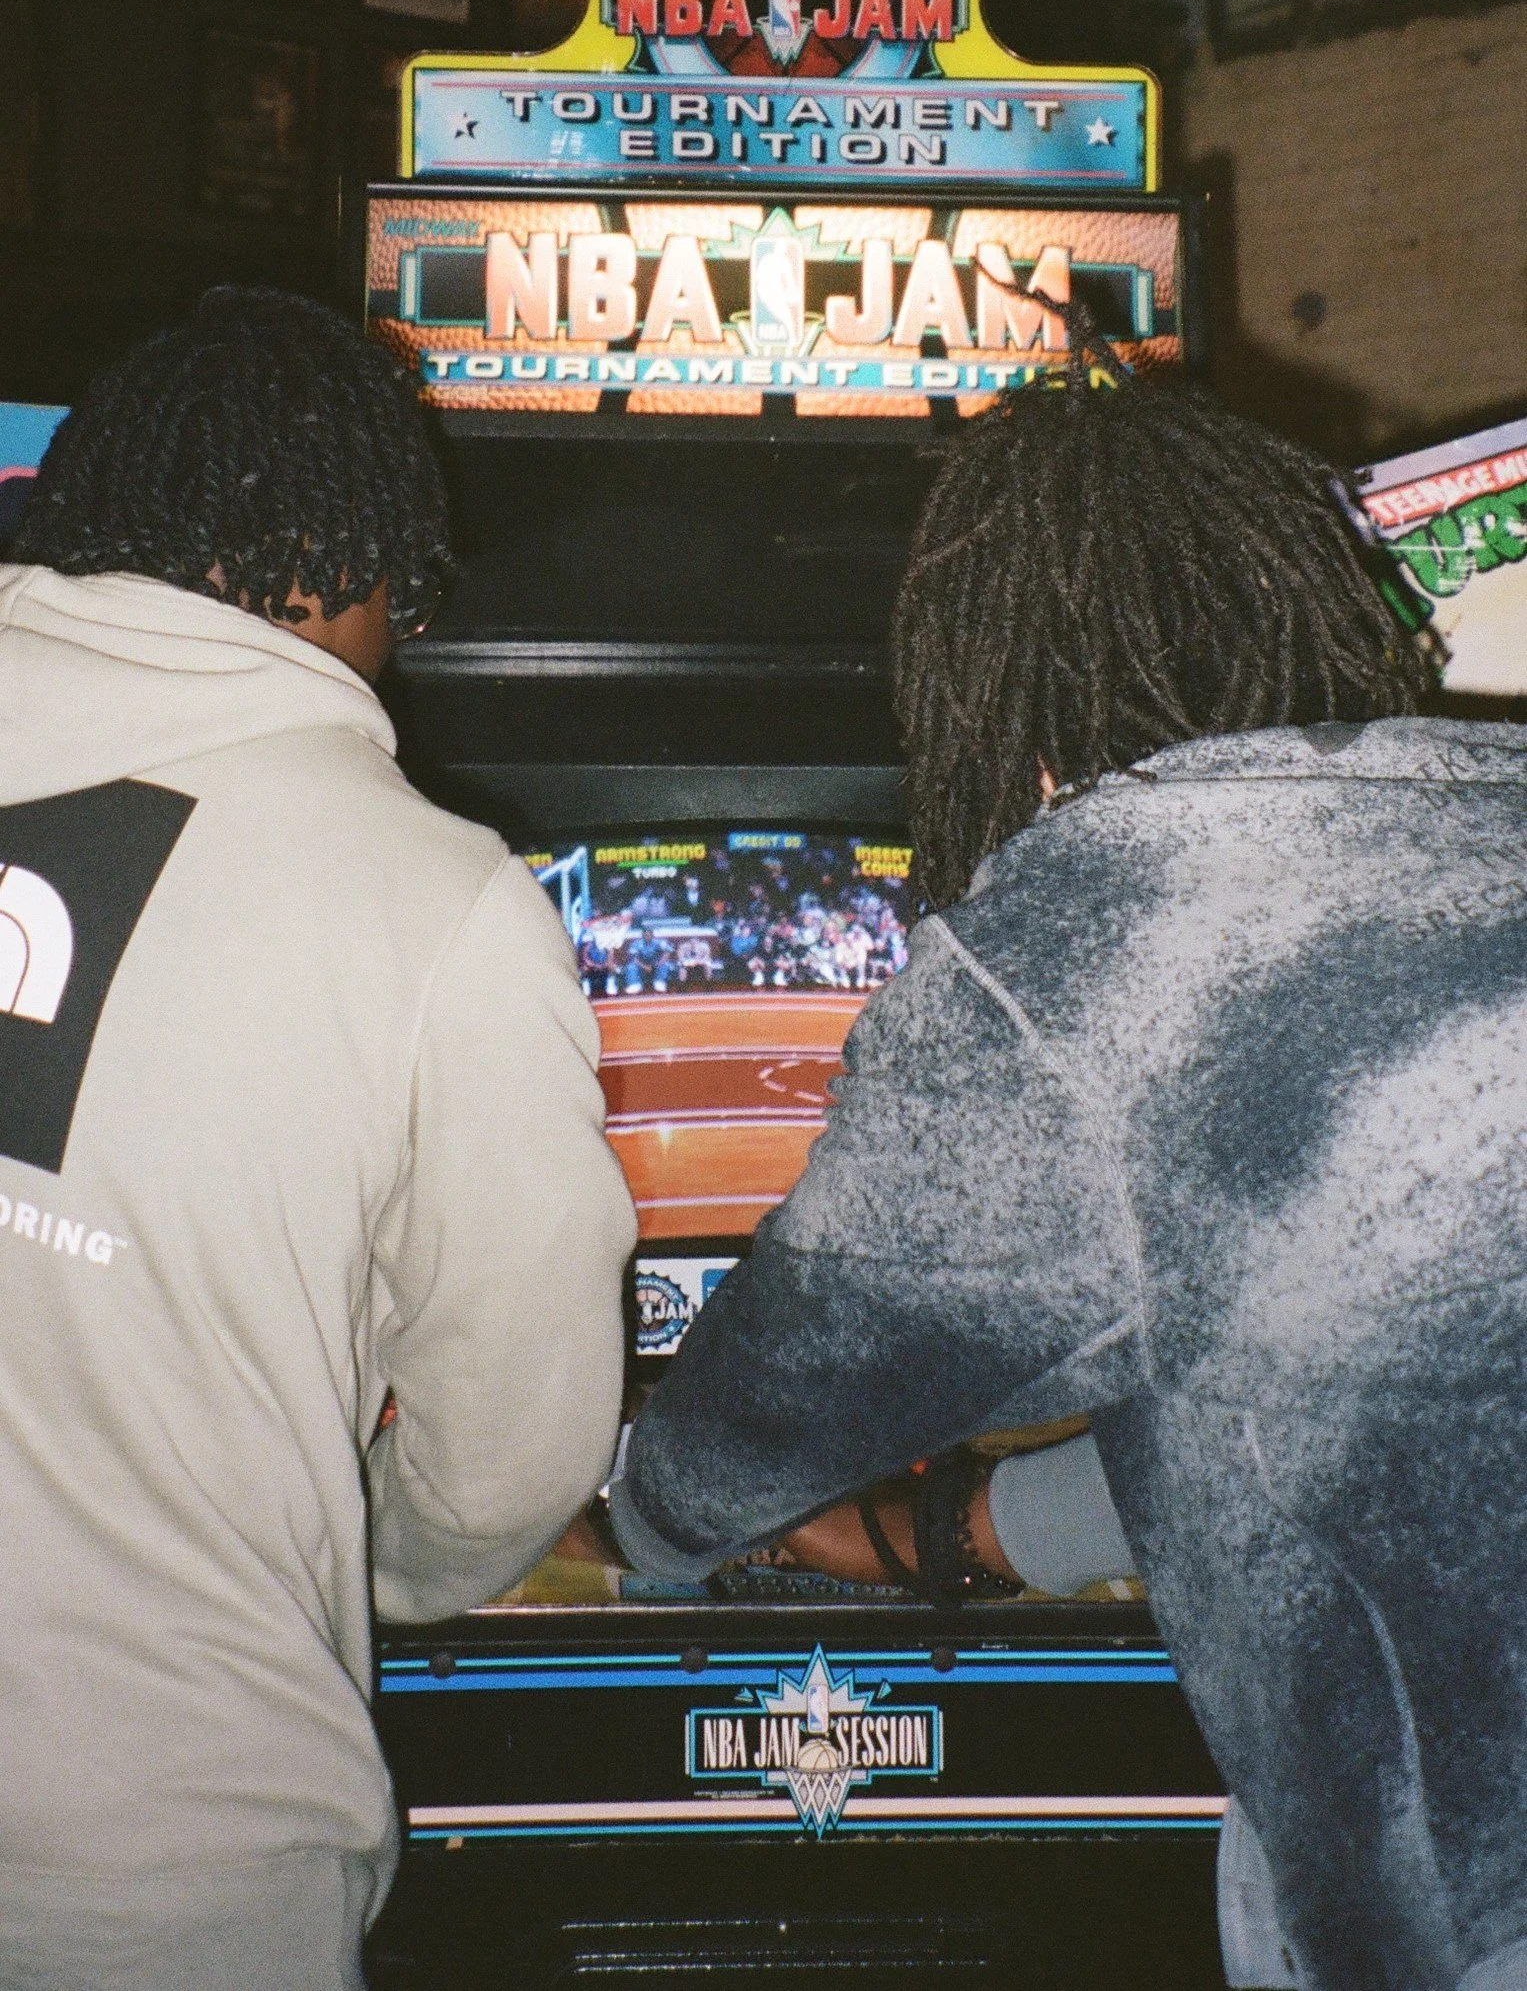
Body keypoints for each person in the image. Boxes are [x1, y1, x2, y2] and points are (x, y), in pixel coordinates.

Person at [611, 321, 1527, 1991]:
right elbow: (1392, 1387)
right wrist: (971, 1531)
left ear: (1012, 718)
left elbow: (748, 1431)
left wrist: (635, 1513)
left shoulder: (1079, 941)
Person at [0, 289, 635, 1990]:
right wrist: (373, 1560)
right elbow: (516, 1447)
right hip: (154, 1854)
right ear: (342, 564)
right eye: (404, 596)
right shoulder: (435, 900)